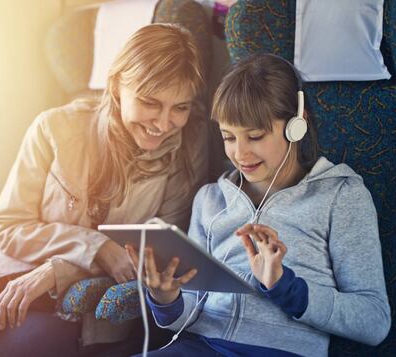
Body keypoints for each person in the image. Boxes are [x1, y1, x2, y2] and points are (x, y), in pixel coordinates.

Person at [128, 53, 391, 357]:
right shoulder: (210, 200)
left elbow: (374, 322)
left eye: (255, 136)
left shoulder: (341, 196)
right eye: (228, 137)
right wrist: (166, 298)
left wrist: (285, 287)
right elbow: (186, 315)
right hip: (198, 346)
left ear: (296, 125)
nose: (240, 154)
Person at [0, 23, 208, 357]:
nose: (163, 123)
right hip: (2, 272)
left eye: (180, 107)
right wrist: (95, 246)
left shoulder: (188, 149)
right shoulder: (55, 127)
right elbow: (8, 225)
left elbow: (158, 252)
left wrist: (61, 269)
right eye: (150, 102)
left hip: (79, 307)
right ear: (117, 87)